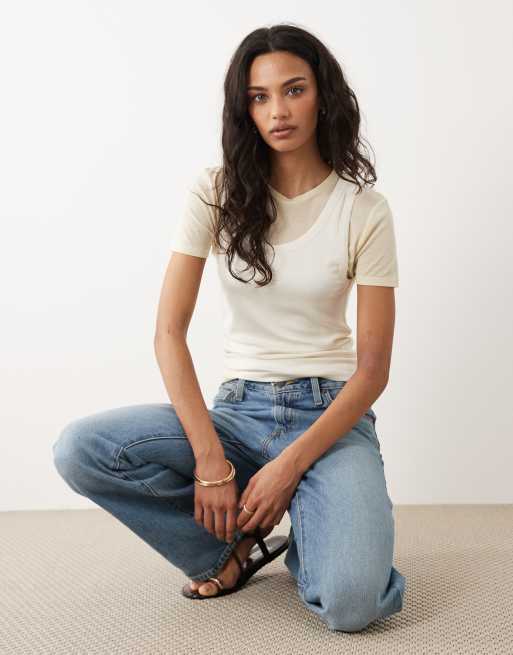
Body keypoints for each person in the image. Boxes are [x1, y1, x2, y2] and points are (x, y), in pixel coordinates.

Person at [52, 23, 406, 633]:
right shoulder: (216, 193)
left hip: (329, 419)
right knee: (81, 449)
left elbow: (372, 370)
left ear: (322, 96)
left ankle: (315, 529)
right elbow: (168, 332)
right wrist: (212, 462)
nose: (278, 111)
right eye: (259, 97)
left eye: (293, 90)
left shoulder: (364, 210)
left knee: (352, 605)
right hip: (239, 414)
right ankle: (230, 550)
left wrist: (288, 470)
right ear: (245, 109)